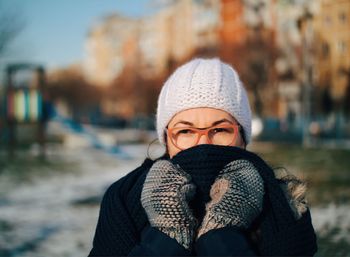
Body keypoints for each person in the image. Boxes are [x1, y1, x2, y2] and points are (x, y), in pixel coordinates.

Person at [88, 58, 317, 256]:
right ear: (167, 139)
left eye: (219, 130)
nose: (204, 144)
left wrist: (222, 237)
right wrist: (166, 238)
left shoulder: (284, 206)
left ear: (243, 137)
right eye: (185, 131)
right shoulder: (123, 202)